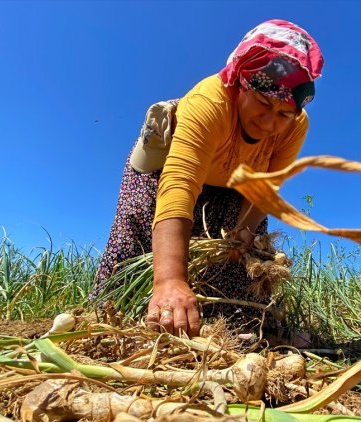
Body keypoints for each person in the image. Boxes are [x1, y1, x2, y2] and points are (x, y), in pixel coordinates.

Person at [91, 19, 324, 337]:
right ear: (242, 84)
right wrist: (169, 280)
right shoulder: (210, 102)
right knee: (140, 235)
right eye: (263, 104)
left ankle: (227, 324)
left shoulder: (295, 126)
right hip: (165, 168)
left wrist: (242, 236)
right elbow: (179, 183)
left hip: (236, 181)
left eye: (284, 113)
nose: (270, 123)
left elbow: (265, 188)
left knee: (239, 258)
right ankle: (113, 319)